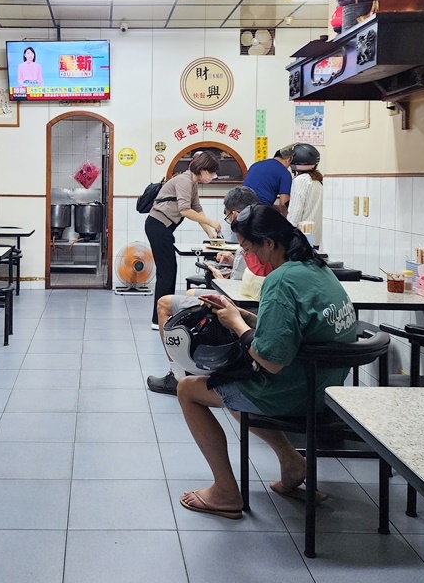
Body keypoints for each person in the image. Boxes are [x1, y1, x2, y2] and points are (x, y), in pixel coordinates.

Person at [174, 203, 357, 519]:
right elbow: (293, 329)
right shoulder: (316, 269)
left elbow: (270, 361)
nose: (247, 256)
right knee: (231, 389)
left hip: (294, 391)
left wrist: (236, 325)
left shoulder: (281, 281)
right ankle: (291, 461)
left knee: (189, 389)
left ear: (268, 243)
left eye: (247, 248)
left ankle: (225, 492)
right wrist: (243, 315)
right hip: (327, 388)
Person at [146, 186, 260, 395]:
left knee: (163, 303)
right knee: (190, 294)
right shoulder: (261, 230)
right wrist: (232, 261)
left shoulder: (248, 233)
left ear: (235, 214)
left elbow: (187, 210)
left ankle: (177, 376)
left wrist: (219, 279)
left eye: (227, 217)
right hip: (241, 294)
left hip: (236, 301)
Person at [144, 150, 222, 328]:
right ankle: (158, 319)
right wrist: (211, 222)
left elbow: (197, 208)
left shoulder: (192, 183)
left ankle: (166, 313)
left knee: (170, 270)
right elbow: (185, 210)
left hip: (163, 227)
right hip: (157, 226)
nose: (213, 176)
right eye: (211, 172)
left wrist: (210, 234)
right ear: (202, 170)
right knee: (166, 272)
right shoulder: (184, 181)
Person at [287, 143, 324, 247]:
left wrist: (286, 234)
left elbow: (295, 213)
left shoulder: (301, 180)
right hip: (315, 239)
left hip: (301, 240)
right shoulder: (317, 180)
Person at [242, 143, 294, 212]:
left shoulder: (255, 165)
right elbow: (283, 204)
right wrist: (286, 219)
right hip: (258, 213)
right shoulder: (284, 173)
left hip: (241, 208)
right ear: (288, 159)